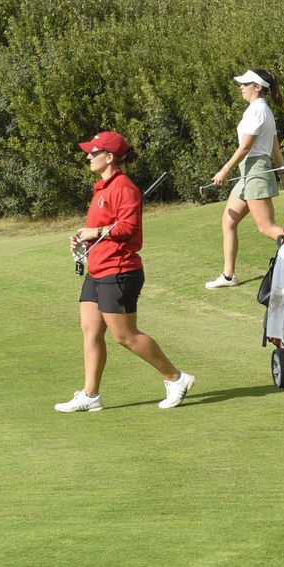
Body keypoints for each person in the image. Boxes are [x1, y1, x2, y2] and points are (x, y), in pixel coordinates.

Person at [56, 131, 195, 412]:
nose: (88, 157)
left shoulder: (124, 188)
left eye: (93, 153)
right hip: (97, 270)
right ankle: (90, 395)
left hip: (120, 271)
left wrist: (94, 231)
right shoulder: (101, 188)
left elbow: (129, 229)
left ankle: (175, 378)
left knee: (124, 335)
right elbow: (104, 228)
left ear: (109, 157)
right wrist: (83, 238)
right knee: (90, 330)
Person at [204, 68, 284, 289]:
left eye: (245, 84)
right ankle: (229, 276)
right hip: (249, 173)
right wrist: (283, 175)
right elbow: (275, 148)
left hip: (255, 171)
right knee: (229, 220)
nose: (241, 87)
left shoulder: (258, 111)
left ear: (257, 87)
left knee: (266, 227)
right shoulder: (259, 110)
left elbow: (246, 148)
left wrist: (225, 169)